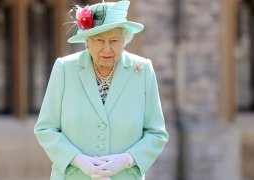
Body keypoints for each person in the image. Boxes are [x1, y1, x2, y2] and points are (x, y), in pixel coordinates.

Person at [34, 1, 169, 180]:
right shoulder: (65, 69)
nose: (107, 48)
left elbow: (156, 133)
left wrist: (126, 160)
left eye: (114, 41)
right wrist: (77, 160)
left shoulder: (142, 70)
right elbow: (46, 128)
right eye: (99, 40)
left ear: (124, 41)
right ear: (87, 42)